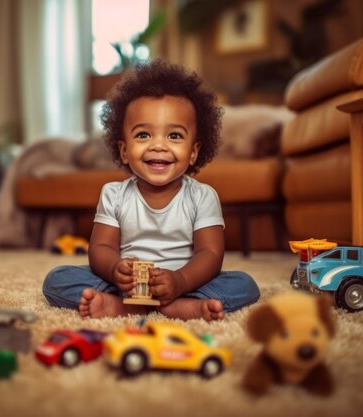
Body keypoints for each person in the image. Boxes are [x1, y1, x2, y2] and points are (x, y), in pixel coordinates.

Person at [42, 60, 260, 321]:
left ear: (193, 152)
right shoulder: (114, 194)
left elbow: (210, 254)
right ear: (124, 150)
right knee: (56, 279)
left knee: (244, 284)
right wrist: (115, 270)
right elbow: (100, 246)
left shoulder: (202, 196)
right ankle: (140, 305)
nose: (158, 146)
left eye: (175, 136)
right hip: (127, 287)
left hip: (185, 283)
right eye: (143, 135)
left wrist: (180, 281)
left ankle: (167, 304)